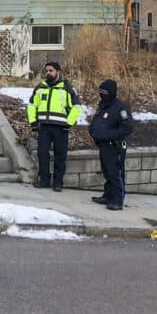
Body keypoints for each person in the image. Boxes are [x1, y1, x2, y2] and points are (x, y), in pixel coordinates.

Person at [27, 61, 82, 192]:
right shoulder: (40, 88)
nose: (48, 73)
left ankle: (58, 182)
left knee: (60, 155)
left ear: (58, 72)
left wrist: (69, 123)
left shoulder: (66, 88)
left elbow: (77, 107)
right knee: (42, 154)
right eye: (46, 71)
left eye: (51, 71)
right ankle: (44, 180)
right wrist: (33, 123)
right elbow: (32, 106)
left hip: (61, 128)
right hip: (44, 127)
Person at [88, 79, 134, 211]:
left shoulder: (120, 108)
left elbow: (128, 127)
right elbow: (97, 121)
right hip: (103, 145)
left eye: (104, 92)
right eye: (100, 92)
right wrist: (93, 131)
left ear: (111, 93)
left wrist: (109, 134)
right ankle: (108, 196)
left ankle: (117, 200)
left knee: (116, 174)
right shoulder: (103, 106)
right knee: (107, 172)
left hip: (115, 147)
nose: (101, 95)